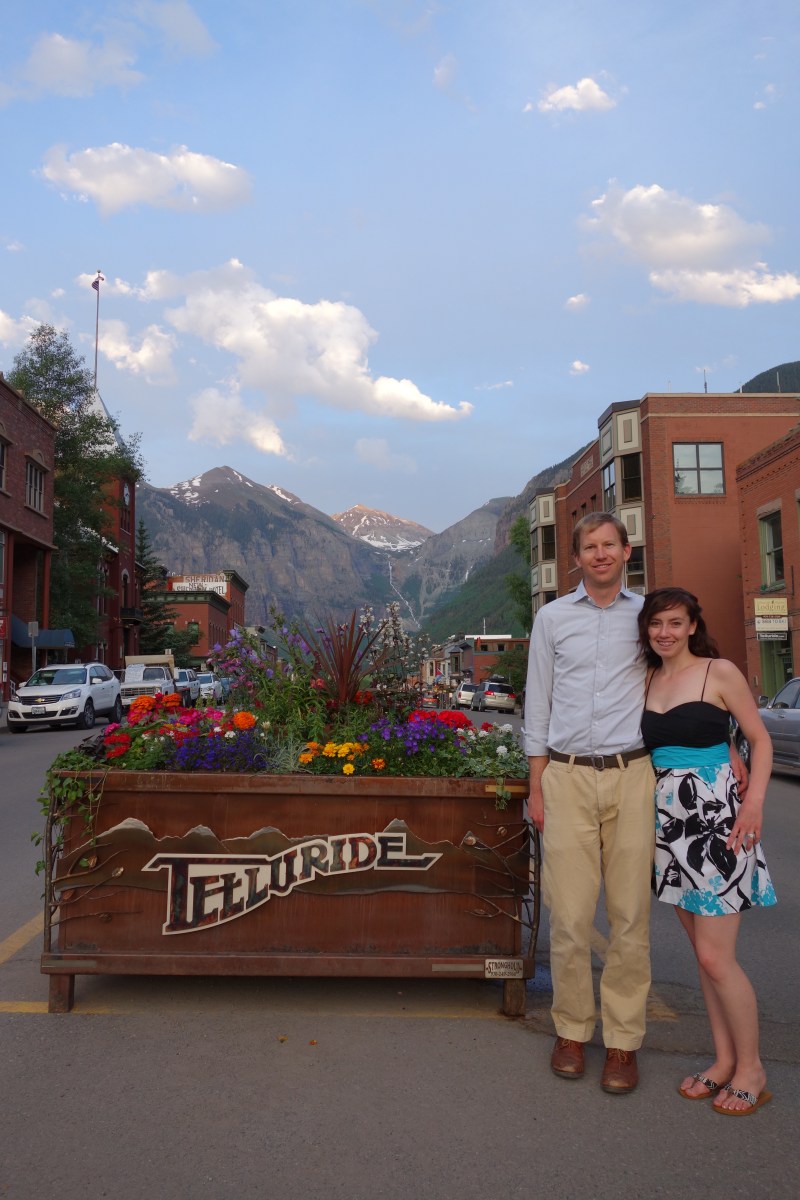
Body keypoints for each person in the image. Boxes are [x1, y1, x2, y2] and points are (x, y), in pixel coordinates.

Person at [524, 512, 654, 1094]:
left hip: (633, 775)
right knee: (571, 918)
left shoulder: (647, 616)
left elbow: (684, 682)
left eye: (610, 544)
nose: (600, 554)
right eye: (589, 547)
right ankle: (572, 1031)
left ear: (626, 551)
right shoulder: (552, 618)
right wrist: (537, 787)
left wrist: (726, 743)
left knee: (630, 917)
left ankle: (623, 1043)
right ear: (575, 559)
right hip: (567, 776)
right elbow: (538, 703)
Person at [639, 587, 776, 1115]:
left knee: (718, 957)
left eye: (675, 622)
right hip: (669, 827)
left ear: (693, 625)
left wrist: (754, 802)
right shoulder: (646, 677)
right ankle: (723, 1061)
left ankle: (751, 1068)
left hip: (719, 822)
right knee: (703, 955)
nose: (665, 632)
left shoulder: (719, 672)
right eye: (656, 623)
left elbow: (759, 739)